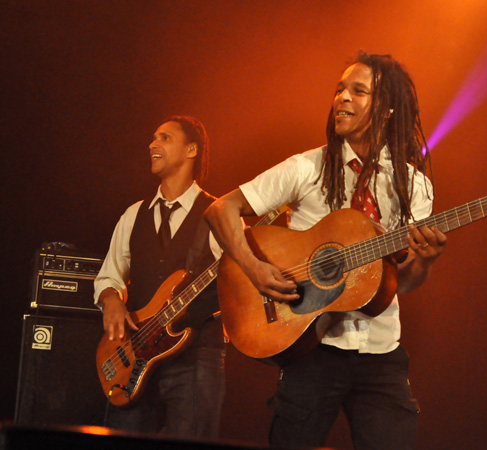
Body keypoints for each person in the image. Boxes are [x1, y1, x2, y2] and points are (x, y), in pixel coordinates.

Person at [204, 51, 447, 450]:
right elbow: (221, 210)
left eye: (358, 91)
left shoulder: (414, 186)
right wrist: (255, 269)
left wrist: (426, 260)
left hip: (381, 350)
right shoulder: (307, 167)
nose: (342, 99)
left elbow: (402, 282)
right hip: (313, 349)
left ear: (386, 109)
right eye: (339, 90)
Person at [94, 115, 225, 440]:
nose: (153, 144)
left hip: (196, 355)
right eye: (153, 138)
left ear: (192, 149)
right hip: (133, 354)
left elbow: (243, 275)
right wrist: (111, 299)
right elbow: (108, 275)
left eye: (165, 138)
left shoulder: (218, 213)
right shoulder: (134, 214)